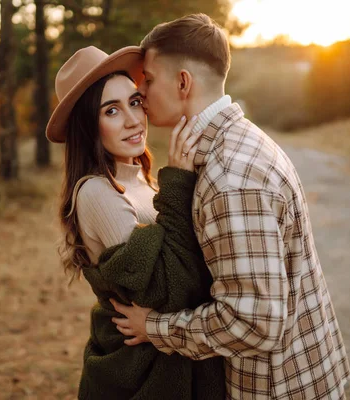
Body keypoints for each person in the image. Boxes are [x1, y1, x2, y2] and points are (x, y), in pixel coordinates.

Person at [109, 14, 350, 399]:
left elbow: (255, 322)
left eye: (149, 80)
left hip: (278, 388)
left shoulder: (229, 178)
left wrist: (154, 327)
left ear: (183, 82)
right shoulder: (240, 141)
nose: (142, 91)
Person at [46, 46, 225, 399]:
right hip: (138, 378)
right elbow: (163, 291)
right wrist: (178, 183)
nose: (132, 120)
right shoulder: (97, 192)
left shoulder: (143, 182)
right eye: (111, 110)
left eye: (135, 102)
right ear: (88, 127)